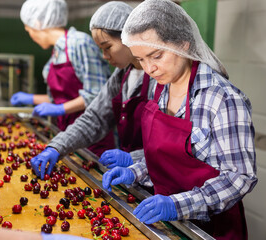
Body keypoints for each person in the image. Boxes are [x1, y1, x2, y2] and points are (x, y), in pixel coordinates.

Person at [102, 0, 257, 239]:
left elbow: (239, 177)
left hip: (209, 228)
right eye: (141, 59)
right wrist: (137, 171)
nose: (149, 68)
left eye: (156, 56)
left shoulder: (221, 98)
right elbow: (169, 158)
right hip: (168, 224)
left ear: (183, 44)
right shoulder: (160, 89)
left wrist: (177, 205)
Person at [30, 1, 156, 181]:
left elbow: (172, 146)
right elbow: (95, 118)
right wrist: (57, 147)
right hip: (132, 176)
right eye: (101, 49)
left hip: (157, 179)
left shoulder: (158, 76)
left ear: (128, 37)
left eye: (108, 47)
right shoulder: (122, 75)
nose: (105, 56)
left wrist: (134, 158)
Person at [11, 0, 115, 157]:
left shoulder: (79, 43)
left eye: (28, 30)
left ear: (38, 23)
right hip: (66, 136)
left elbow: (97, 94)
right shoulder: (57, 52)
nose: (31, 36)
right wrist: (31, 98)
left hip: (91, 139)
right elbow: (60, 98)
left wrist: (60, 109)